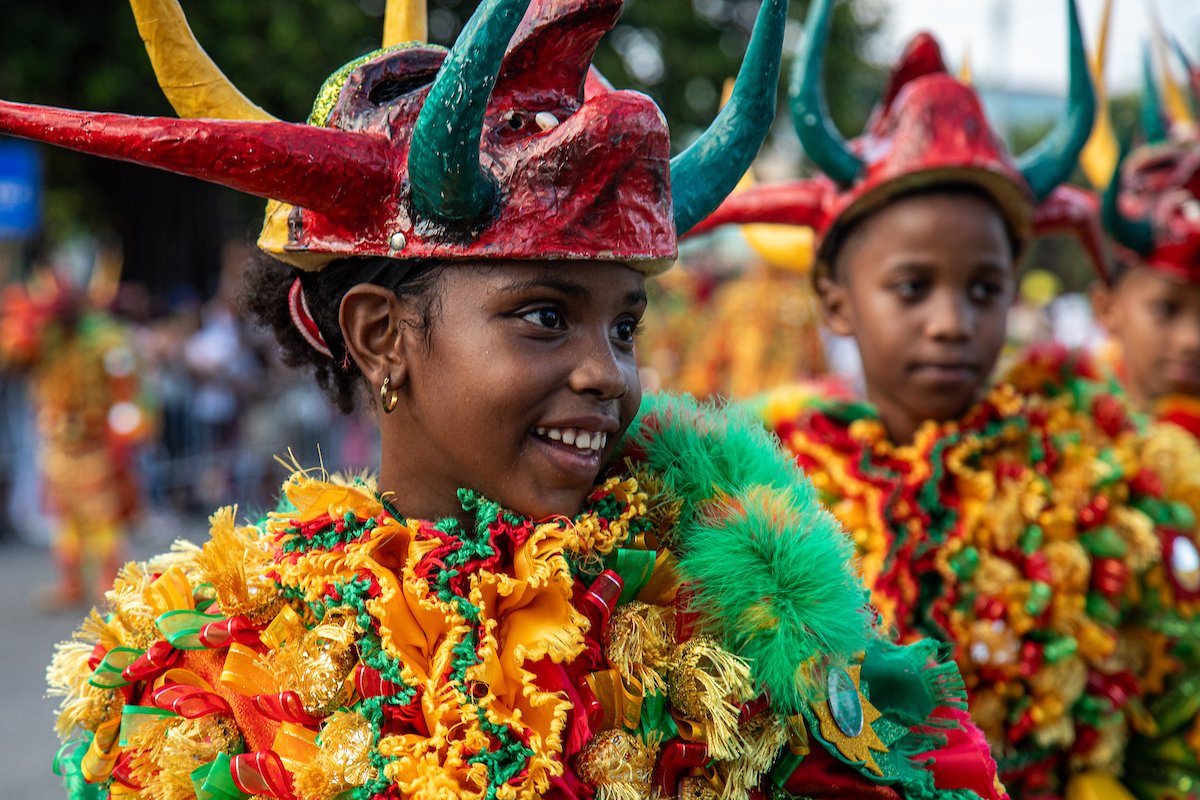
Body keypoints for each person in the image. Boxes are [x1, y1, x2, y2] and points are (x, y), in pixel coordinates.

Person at [7, 0, 1003, 797]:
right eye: (542, 315)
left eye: (623, 324)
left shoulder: (720, 596)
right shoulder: (217, 655)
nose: (605, 371)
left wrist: (783, 594)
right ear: (379, 334)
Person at [691, 0, 1200, 796]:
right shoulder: (769, 480)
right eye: (912, 287)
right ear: (834, 298)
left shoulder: (1107, 476)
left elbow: (1172, 721)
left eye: (984, 288)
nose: (951, 323)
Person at [0, 267, 151, 608]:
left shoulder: (104, 338)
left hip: (95, 442)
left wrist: (125, 429)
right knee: (64, 517)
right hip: (56, 442)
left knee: (102, 515)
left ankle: (109, 581)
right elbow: (14, 351)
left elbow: (126, 384)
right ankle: (70, 582)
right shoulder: (44, 337)